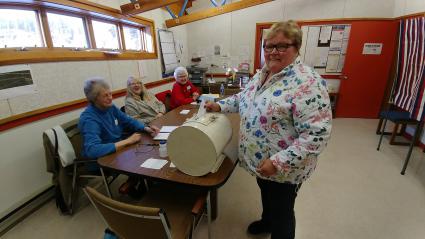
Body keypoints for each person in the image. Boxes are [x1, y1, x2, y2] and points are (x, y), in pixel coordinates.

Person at [205, 20, 332, 239]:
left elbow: (316, 136)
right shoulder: (263, 73)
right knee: (266, 193)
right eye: (268, 46)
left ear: (296, 48)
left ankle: (277, 227)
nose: (273, 52)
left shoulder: (308, 82)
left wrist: (277, 162)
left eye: (281, 46)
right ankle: (267, 221)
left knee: (283, 210)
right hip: (260, 162)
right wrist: (220, 105)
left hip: (285, 170)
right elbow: (243, 98)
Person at [78, 77, 160, 198]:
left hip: (118, 148)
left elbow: (128, 120)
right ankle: (138, 187)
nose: (110, 98)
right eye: (105, 96)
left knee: (147, 151)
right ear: (94, 99)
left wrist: (146, 128)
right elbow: (92, 149)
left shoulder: (110, 107)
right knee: (141, 158)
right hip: (102, 159)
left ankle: (137, 184)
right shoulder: (89, 119)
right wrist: (127, 142)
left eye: (110, 94)